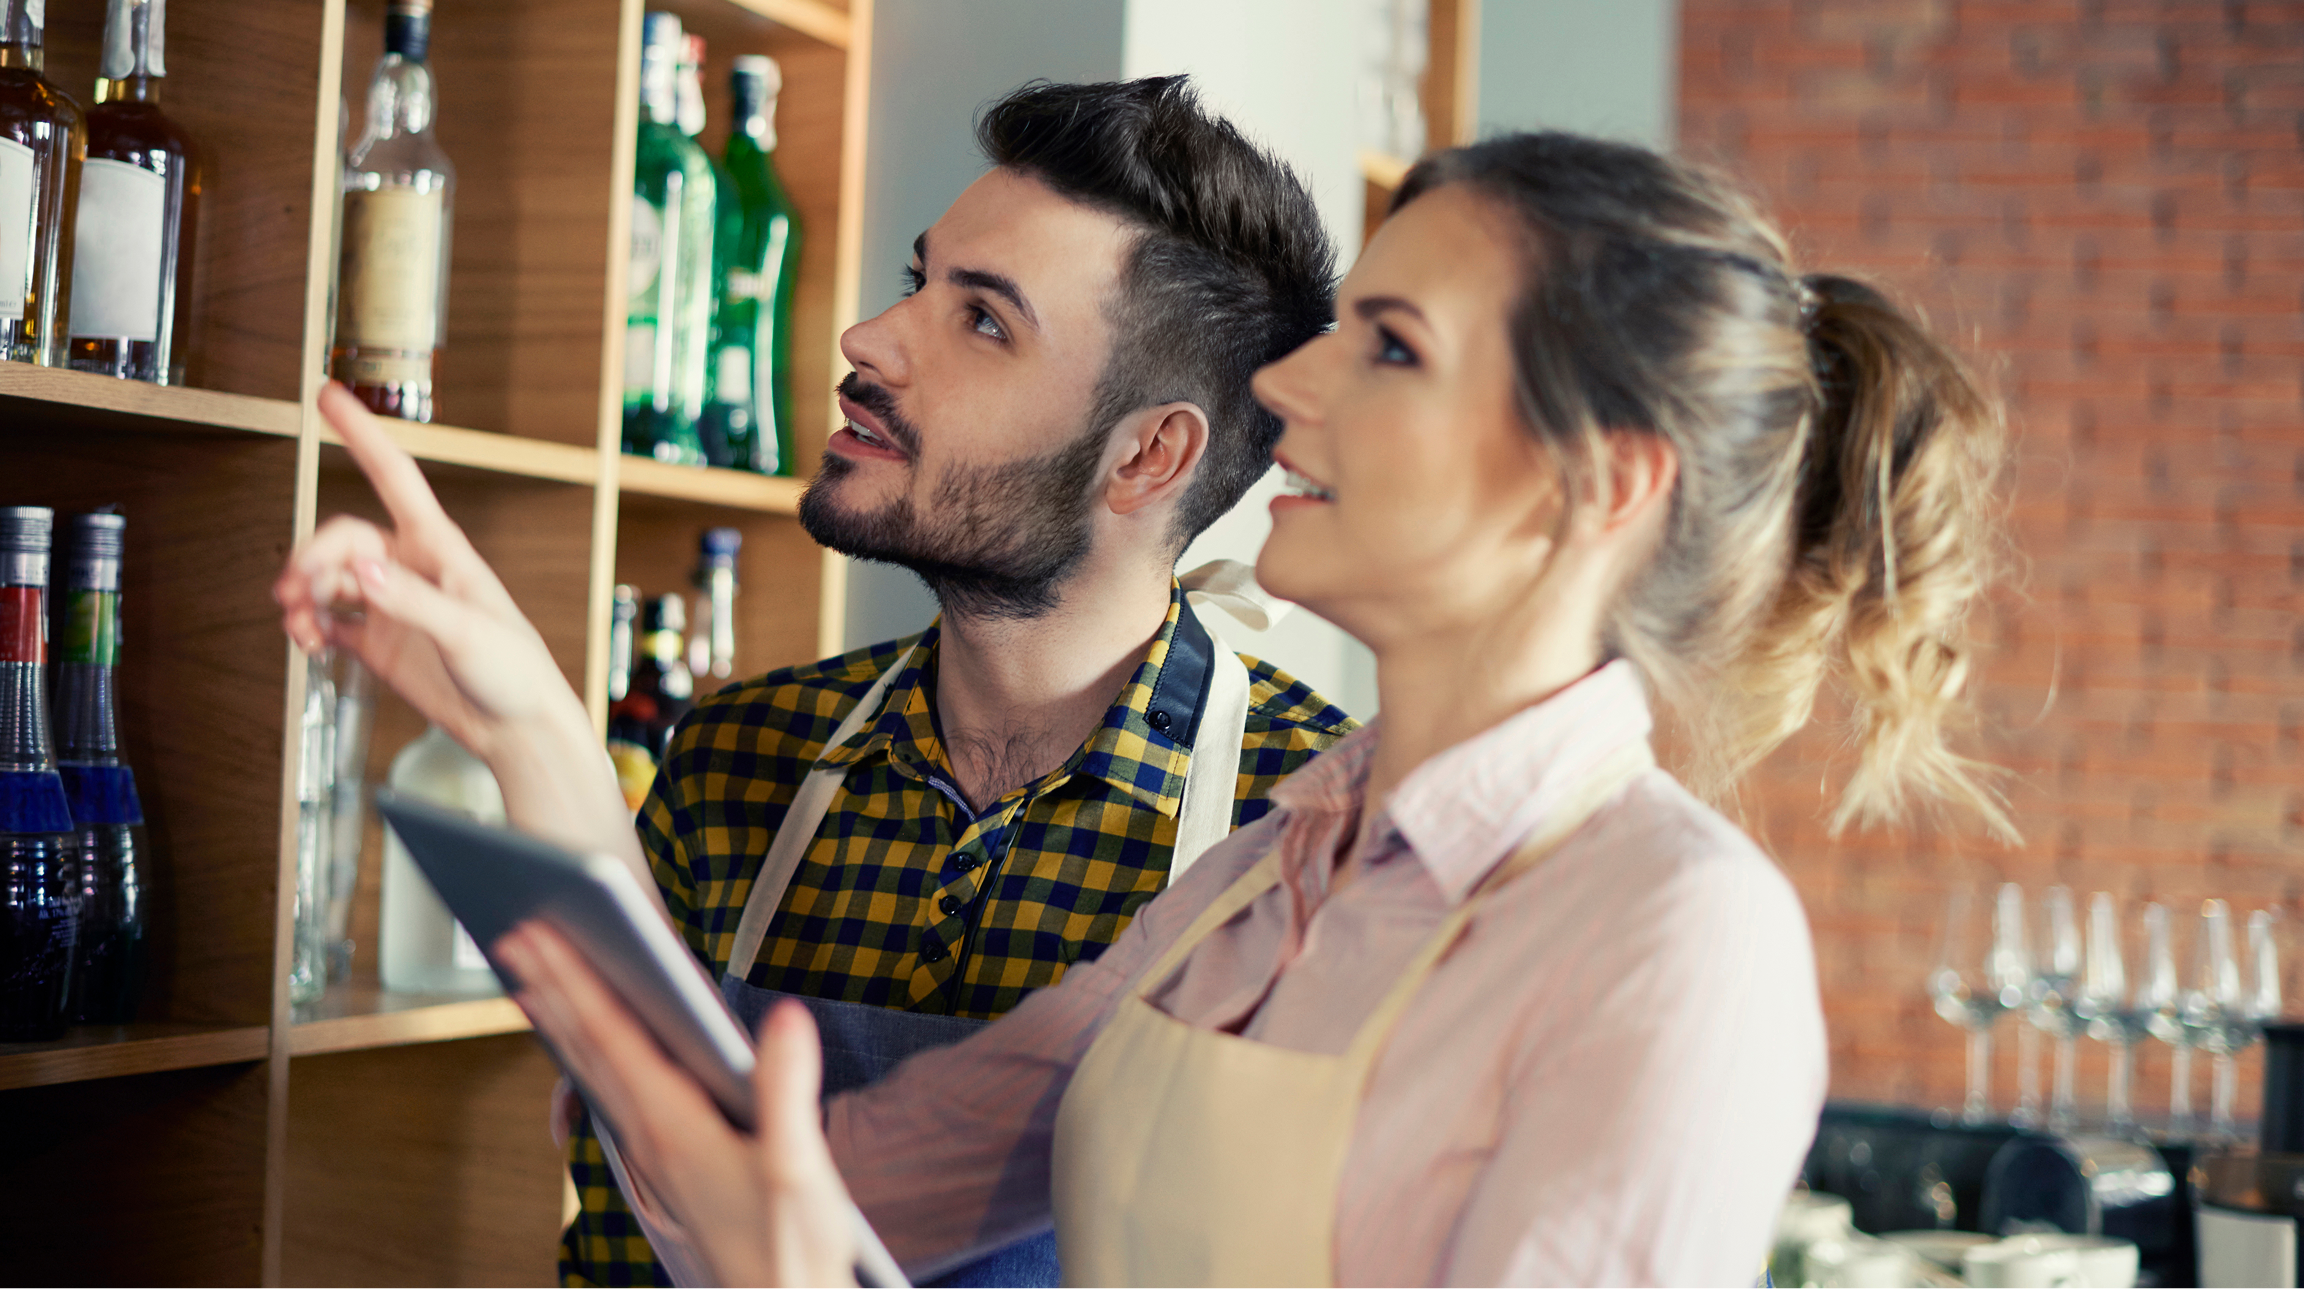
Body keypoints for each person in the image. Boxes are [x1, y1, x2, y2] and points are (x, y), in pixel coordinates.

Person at [489, 128, 2019, 1288]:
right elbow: (830, 1197)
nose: (1288, 389)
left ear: (1598, 485)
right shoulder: (1279, 861)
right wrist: (538, 766)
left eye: (1393, 347)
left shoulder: (1675, 935)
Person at [273, 77, 1356, 1289]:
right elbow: (627, 1253)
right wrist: (523, 727)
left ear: (1149, 453)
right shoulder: (736, 759)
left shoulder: (1314, 833)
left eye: (984, 320)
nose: (869, 340)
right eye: (918, 285)